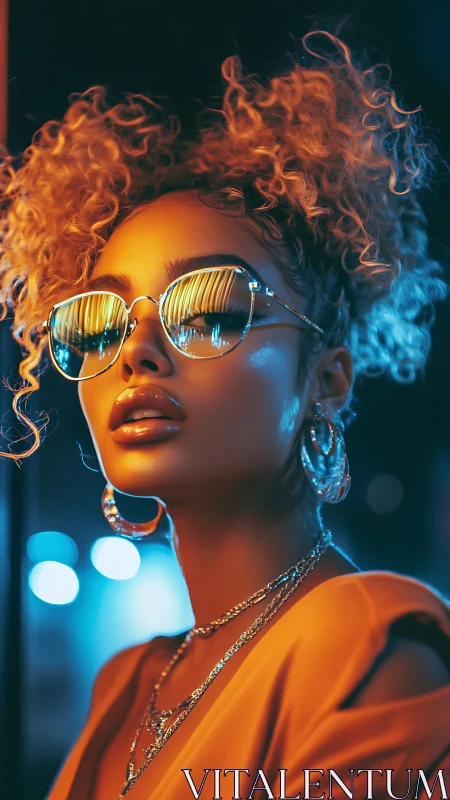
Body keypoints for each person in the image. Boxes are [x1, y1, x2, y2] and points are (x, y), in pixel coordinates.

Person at [1, 27, 449, 800]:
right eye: (100, 323)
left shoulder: (370, 654)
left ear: (328, 379)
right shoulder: (125, 684)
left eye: (209, 310)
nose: (136, 353)